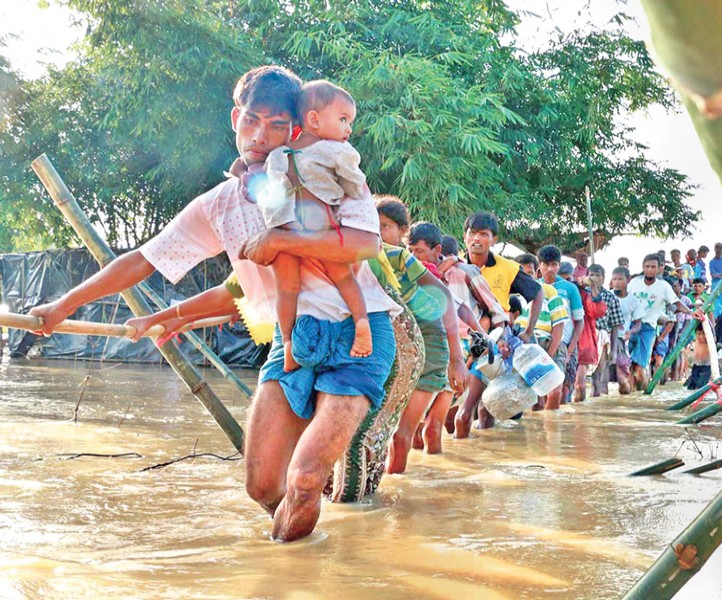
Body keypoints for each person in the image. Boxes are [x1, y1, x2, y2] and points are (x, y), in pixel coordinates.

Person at [29, 66, 399, 542]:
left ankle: (298, 554)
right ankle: (308, 555)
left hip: (359, 331)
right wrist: (64, 304)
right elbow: (144, 260)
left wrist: (280, 241)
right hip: (291, 340)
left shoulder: (331, 169)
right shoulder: (219, 204)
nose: (261, 137)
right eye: (251, 121)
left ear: (301, 126)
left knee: (305, 477)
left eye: (278, 126)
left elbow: (366, 244)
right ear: (234, 118)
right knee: (264, 485)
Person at [262, 80, 372, 372]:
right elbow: (354, 183)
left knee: (287, 289)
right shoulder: (335, 151)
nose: (348, 129)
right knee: (343, 276)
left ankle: (288, 344)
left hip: (287, 227)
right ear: (313, 119)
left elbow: (271, 192)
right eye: (344, 119)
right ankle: (362, 322)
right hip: (321, 225)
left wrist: (279, 228)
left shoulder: (278, 155)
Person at [375, 198, 467, 474]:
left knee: (401, 435)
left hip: (430, 345)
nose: (378, 232)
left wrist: (456, 358)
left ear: (402, 231)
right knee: (388, 433)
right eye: (373, 225)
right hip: (394, 344)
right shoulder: (363, 259)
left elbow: (445, 297)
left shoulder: (399, 258)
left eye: (385, 226)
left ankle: (398, 506)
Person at [406, 220, 507, 451]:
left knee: (441, 422)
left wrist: (489, 338)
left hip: (459, 351)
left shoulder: (464, 272)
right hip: (420, 350)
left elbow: (491, 309)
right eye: (410, 251)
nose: (413, 257)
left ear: (437, 250)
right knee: (416, 426)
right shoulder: (407, 272)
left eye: (419, 251)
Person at [453, 212, 543, 437]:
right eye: (472, 233)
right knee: (452, 409)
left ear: (493, 239)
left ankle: (477, 454)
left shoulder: (507, 267)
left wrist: (528, 331)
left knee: (478, 409)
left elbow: (537, 292)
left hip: (494, 343)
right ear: (464, 236)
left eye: (484, 234)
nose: (477, 238)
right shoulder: (455, 265)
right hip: (458, 341)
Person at [627, 254, 693, 390]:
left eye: (653, 267)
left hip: (648, 328)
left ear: (658, 269)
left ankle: (643, 395)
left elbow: (677, 304)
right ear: (643, 268)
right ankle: (631, 397)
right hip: (630, 325)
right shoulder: (634, 283)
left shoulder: (663, 287)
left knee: (640, 366)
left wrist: (691, 313)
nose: (650, 270)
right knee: (628, 366)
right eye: (647, 267)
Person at [515, 253, 569, 410]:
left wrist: (550, 356)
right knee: (533, 398)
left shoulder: (548, 291)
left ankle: (552, 429)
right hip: (524, 347)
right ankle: (539, 430)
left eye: (530, 273)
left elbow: (559, 327)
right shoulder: (512, 294)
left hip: (549, 344)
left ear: (536, 272)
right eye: (522, 273)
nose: (526, 278)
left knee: (555, 390)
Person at [538, 245, 584, 405]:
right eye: (545, 264)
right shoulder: (535, 287)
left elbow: (579, 321)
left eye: (554, 265)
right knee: (538, 392)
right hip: (538, 344)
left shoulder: (570, 288)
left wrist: (571, 348)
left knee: (561, 392)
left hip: (564, 345)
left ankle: (556, 425)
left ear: (558, 265)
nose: (550, 269)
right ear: (540, 265)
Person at [588, 264, 625, 395]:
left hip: (602, 337)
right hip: (586, 335)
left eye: (597, 275)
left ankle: (598, 405)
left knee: (600, 376)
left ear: (603, 279)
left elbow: (615, 325)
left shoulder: (610, 298)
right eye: (591, 275)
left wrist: (614, 351)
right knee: (580, 375)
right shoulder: (583, 294)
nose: (594, 278)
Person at [573, 265, 608, 402]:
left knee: (580, 385)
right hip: (560, 340)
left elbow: (596, 312)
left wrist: (593, 289)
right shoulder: (557, 289)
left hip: (584, 342)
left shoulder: (586, 295)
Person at [610, 266, 639, 394]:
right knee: (602, 378)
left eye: (620, 279)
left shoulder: (633, 300)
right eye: (614, 279)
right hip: (606, 339)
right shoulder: (607, 296)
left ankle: (626, 401)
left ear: (628, 280)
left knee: (622, 377)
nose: (617, 282)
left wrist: (630, 332)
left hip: (621, 340)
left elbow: (638, 323)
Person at [684, 326, 711, 390]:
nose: (701, 336)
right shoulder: (696, 341)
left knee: (700, 388)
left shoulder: (710, 341)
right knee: (689, 388)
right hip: (696, 367)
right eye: (699, 334)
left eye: (703, 334)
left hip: (706, 368)